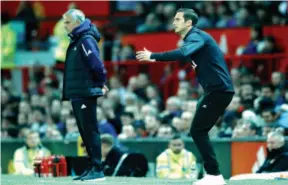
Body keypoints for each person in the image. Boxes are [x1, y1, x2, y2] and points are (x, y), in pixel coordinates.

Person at [136, 8, 234, 185]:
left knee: (197, 131)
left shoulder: (196, 36)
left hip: (219, 90)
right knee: (198, 130)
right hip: (215, 91)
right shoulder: (194, 37)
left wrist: (153, 56)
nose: (174, 22)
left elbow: (182, 53)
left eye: (177, 19)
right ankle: (213, 174)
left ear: (188, 23)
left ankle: (214, 176)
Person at [61, 9, 108, 182]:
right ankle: (91, 167)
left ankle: (98, 169)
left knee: (90, 130)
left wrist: (101, 83)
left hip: (85, 91)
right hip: (78, 92)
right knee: (85, 132)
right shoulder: (78, 40)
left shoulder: (85, 40)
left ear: (78, 22)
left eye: (67, 22)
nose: (64, 25)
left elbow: (96, 64)